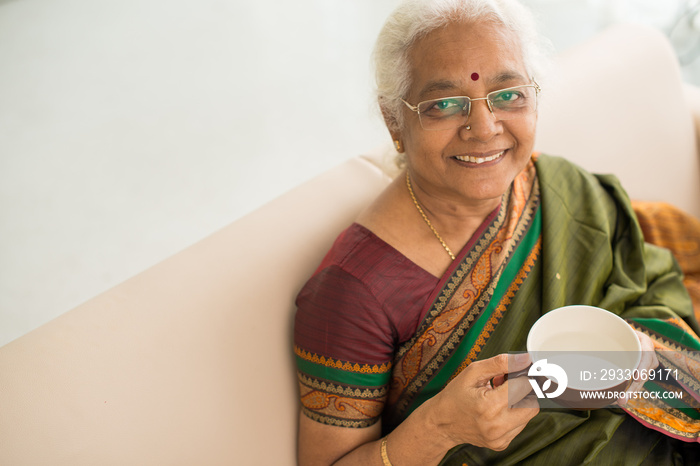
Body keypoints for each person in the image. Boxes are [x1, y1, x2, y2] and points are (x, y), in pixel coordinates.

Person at [293, 0, 700, 464]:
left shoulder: (552, 184)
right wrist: (439, 427)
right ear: (394, 123)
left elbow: (650, 285)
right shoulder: (354, 292)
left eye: (509, 94)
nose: (485, 129)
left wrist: (640, 353)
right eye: (444, 104)